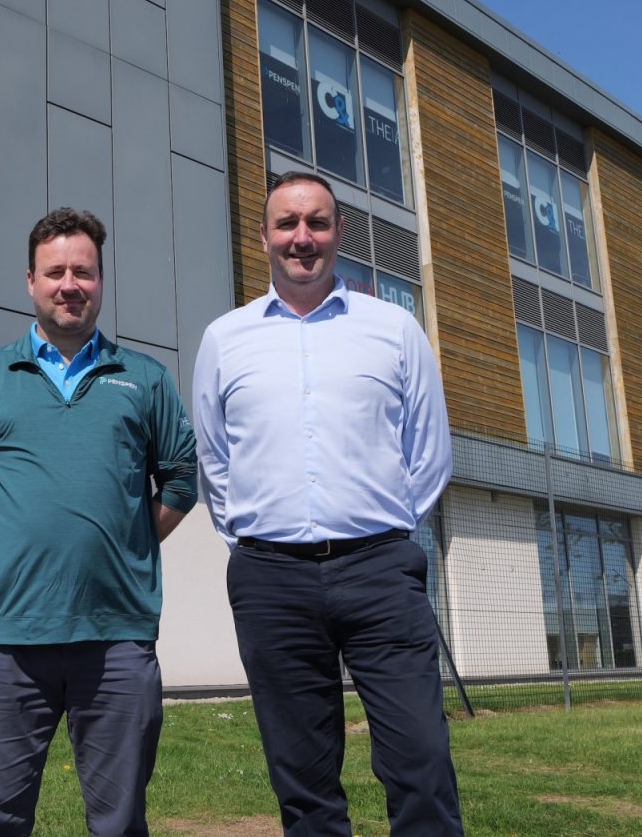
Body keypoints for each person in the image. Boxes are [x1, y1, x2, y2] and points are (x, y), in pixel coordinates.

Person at [192, 171, 461, 835]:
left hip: (380, 573)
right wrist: (259, 538)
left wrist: (383, 528)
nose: (302, 237)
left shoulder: (394, 328)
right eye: (287, 223)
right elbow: (215, 461)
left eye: (316, 222)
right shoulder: (224, 339)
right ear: (264, 237)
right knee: (303, 783)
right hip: (270, 579)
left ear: (338, 233)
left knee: (422, 762)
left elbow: (429, 453)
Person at [0, 207, 199, 836]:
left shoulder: (146, 380)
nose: (69, 285)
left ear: (101, 280)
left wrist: (126, 542)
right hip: (5, 641)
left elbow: (181, 480)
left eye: (84, 271)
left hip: (118, 637)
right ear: (30, 281)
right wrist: (2, 541)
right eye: (55, 272)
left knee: (120, 822)